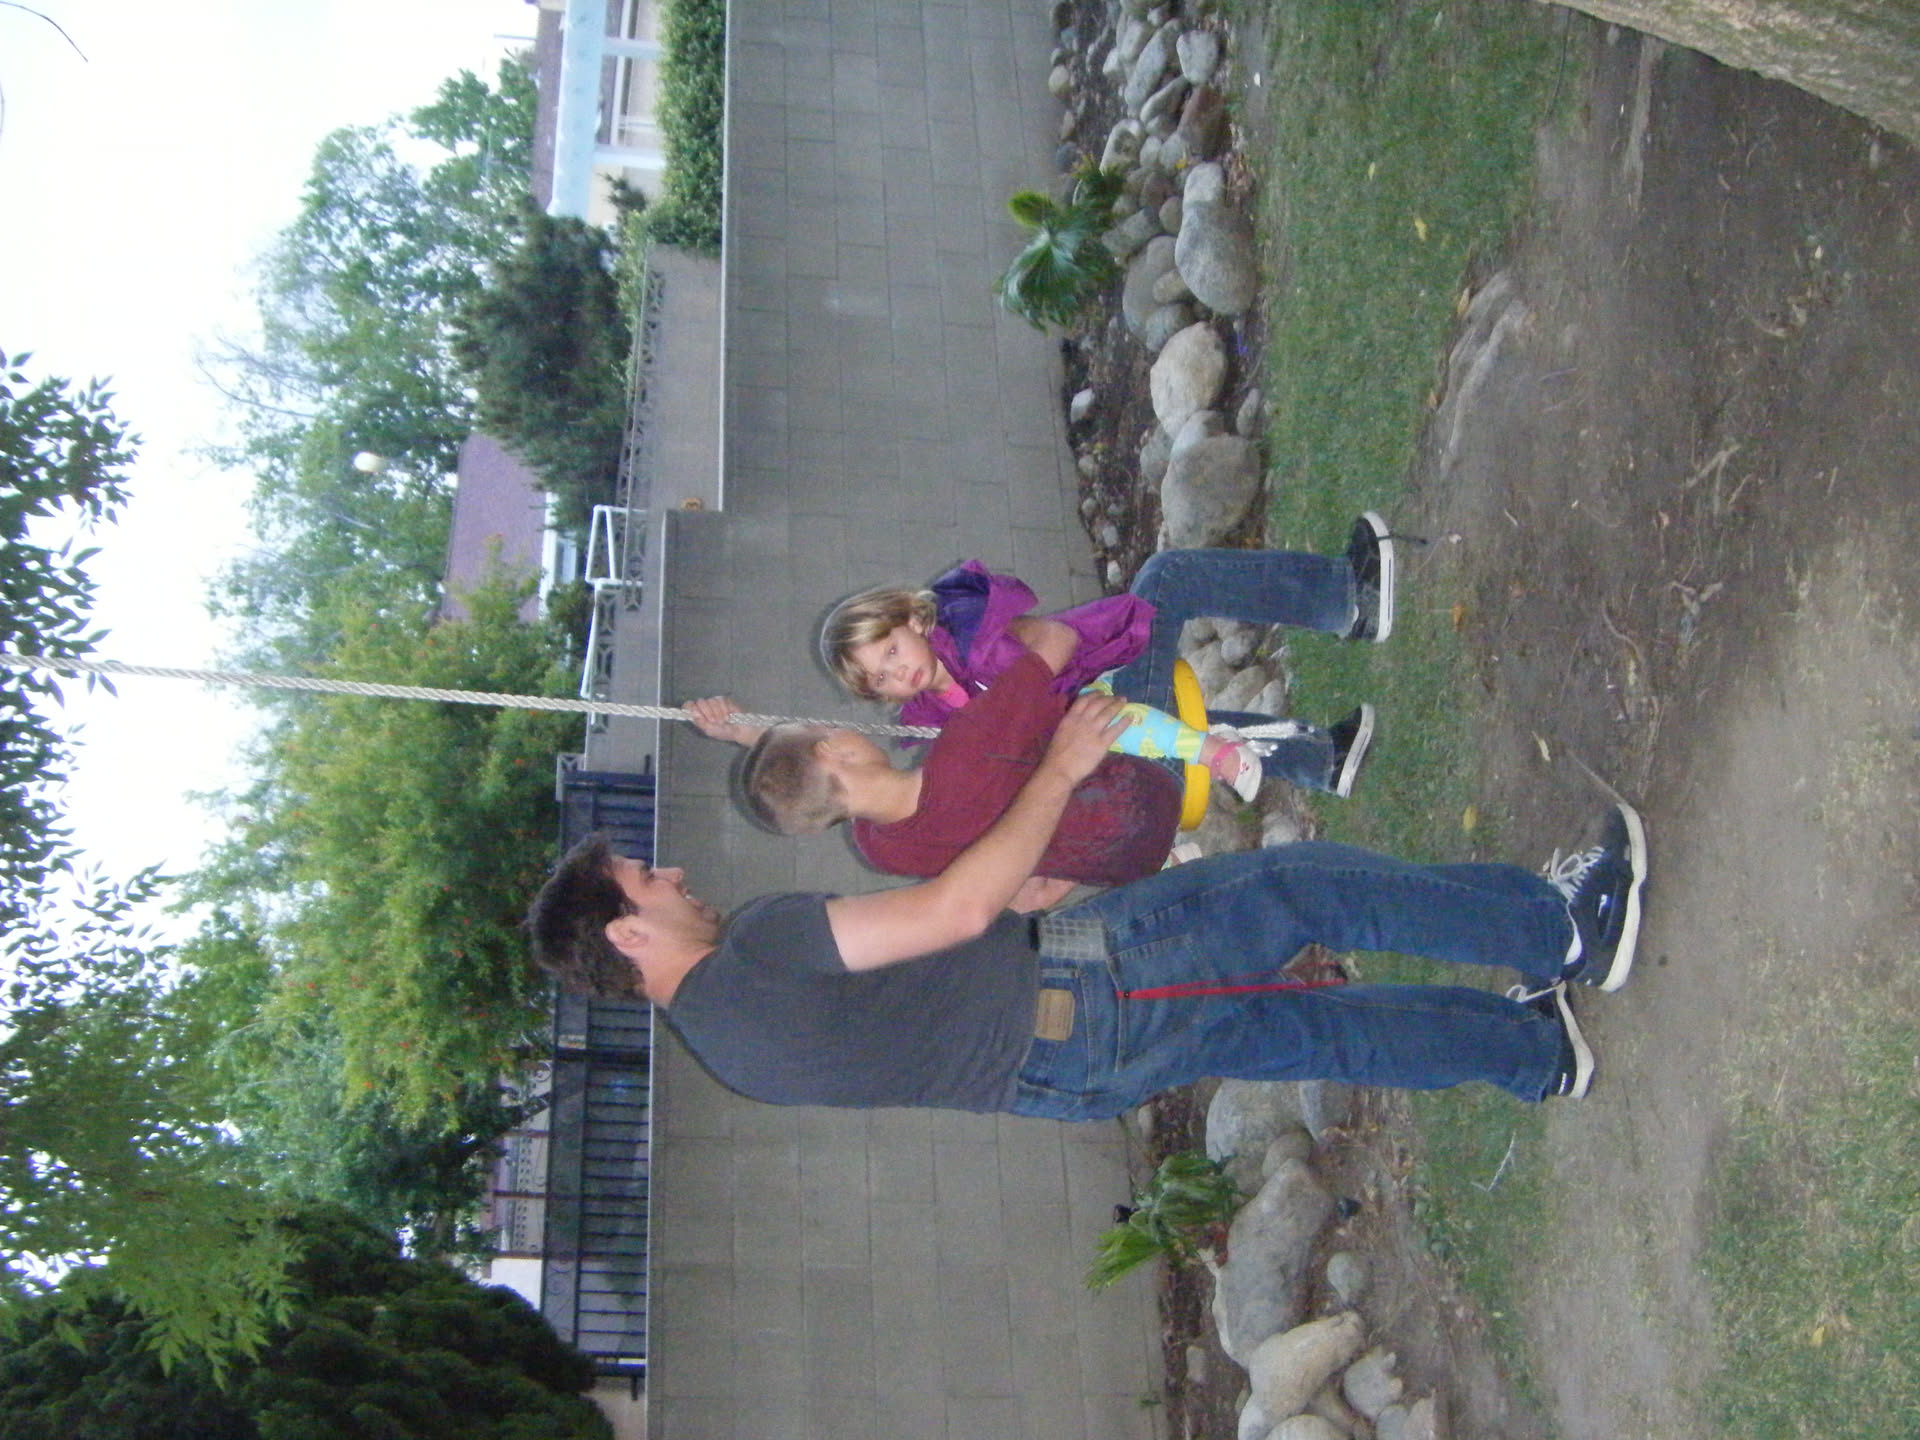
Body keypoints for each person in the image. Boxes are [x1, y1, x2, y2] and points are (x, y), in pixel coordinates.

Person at [527, 692, 1651, 1115]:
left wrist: (1011, 889)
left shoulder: (722, 1048)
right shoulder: (754, 949)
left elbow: (915, 985)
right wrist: (1059, 771)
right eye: (647, 879)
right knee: (1293, 891)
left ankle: (1532, 1056)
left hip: (1067, 1070)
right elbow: (948, 918)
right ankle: (1561, 931)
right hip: (1091, 988)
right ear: (626, 930)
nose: (674, 877)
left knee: (1309, 1030)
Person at [817, 519, 1396, 801]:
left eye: (891, 651)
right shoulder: (938, 717)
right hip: (1104, 740)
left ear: (913, 619)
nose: (898, 672)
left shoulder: (964, 628)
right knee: (1167, 578)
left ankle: (1324, 758)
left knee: (1168, 722)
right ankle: (1349, 599)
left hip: (1103, 704)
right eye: (882, 678)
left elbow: (1057, 641)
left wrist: (1014, 706)